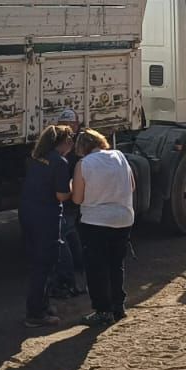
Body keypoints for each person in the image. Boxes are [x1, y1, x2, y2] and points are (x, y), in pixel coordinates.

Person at [72, 129, 136, 326]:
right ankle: (118, 306)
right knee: (116, 265)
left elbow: (77, 198)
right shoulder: (120, 156)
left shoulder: (84, 164)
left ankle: (102, 310)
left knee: (97, 268)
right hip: (123, 218)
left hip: (96, 221)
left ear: (81, 147)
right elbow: (132, 185)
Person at [21, 124, 75, 327]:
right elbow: (61, 195)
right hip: (47, 217)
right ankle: (35, 314)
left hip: (28, 214)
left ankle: (42, 305)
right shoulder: (59, 162)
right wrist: (74, 186)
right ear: (65, 142)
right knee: (45, 264)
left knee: (36, 262)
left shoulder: (36, 158)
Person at [48, 107, 87, 300]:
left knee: (64, 236)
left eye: (70, 124)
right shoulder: (74, 145)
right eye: (64, 125)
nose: (68, 128)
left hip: (70, 197)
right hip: (70, 196)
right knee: (70, 234)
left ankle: (68, 279)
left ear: (77, 125)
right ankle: (78, 271)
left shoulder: (72, 148)